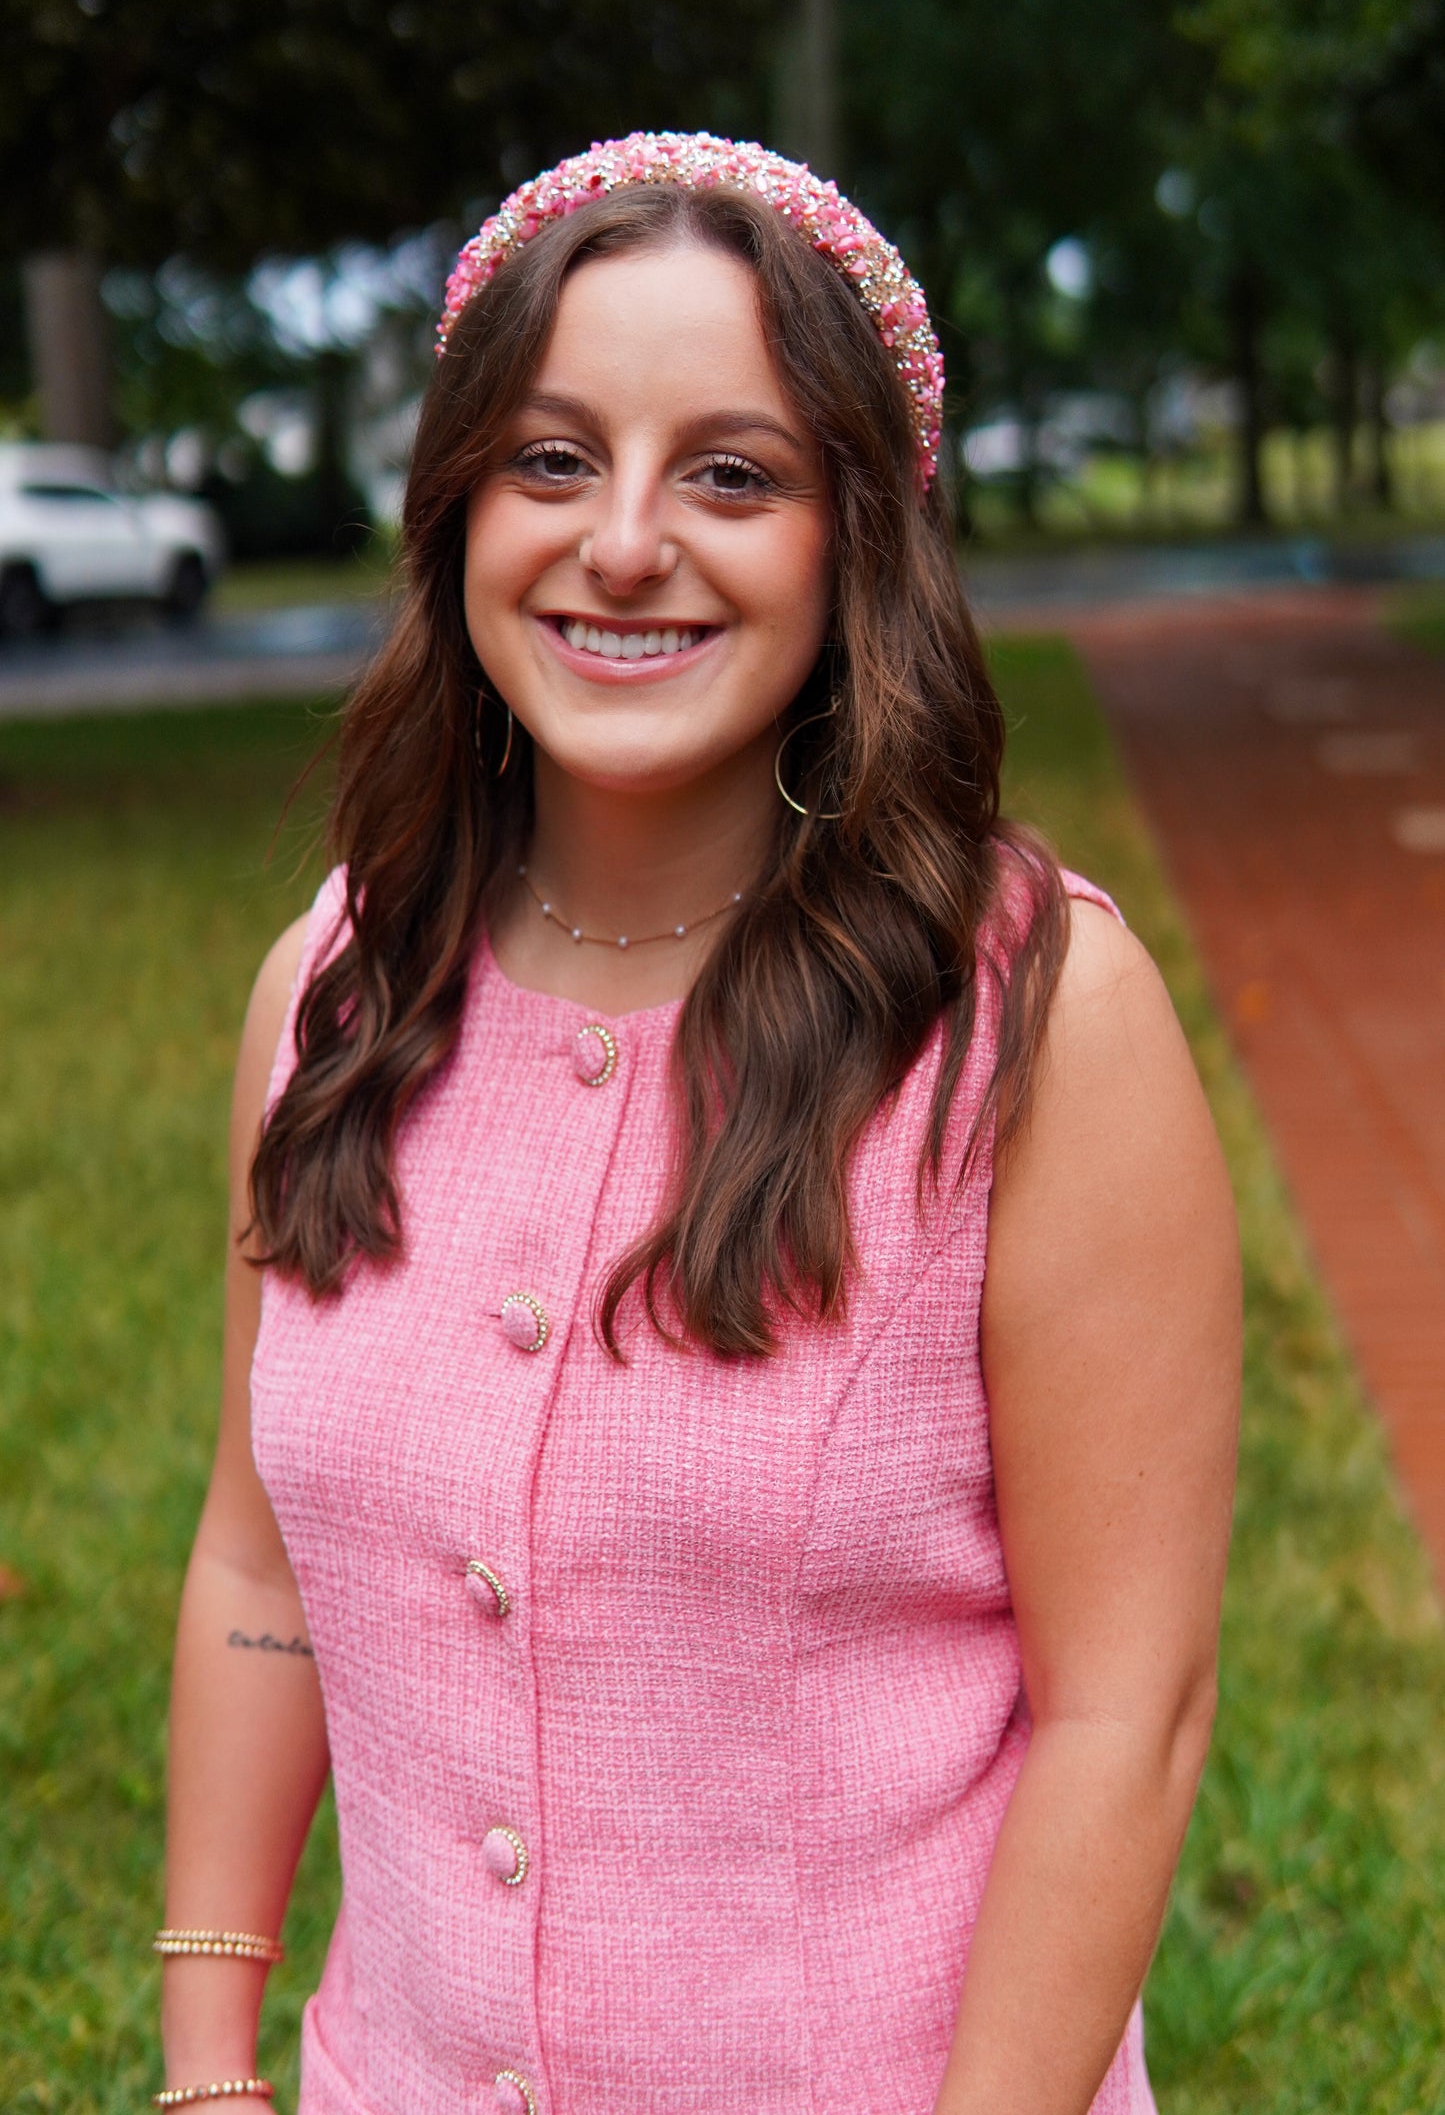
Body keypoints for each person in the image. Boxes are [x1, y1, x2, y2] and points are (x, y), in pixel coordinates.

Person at [156, 133, 1239, 2115]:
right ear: (457, 502)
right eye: (553, 459)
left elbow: (1127, 1718)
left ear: (858, 536)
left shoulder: (1040, 1024)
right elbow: (259, 1558)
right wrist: (211, 2051)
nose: (625, 541)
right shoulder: (337, 982)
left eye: (730, 473)